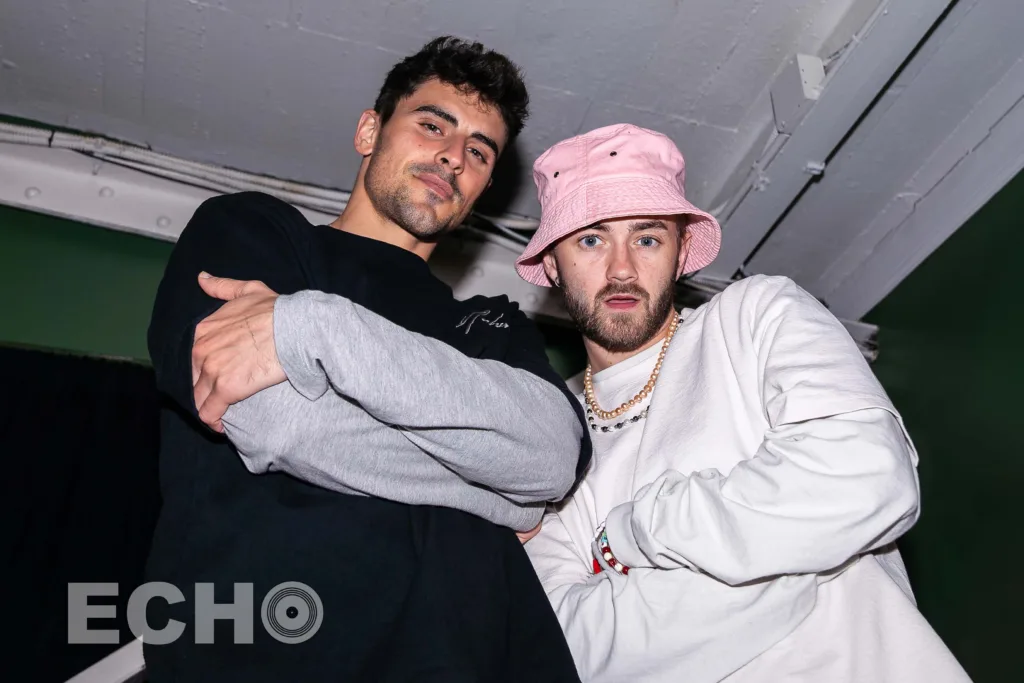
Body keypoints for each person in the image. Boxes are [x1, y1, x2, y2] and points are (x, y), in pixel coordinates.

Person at [143, 37, 590, 683]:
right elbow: (278, 422)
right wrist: (500, 499)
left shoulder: (490, 324)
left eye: (478, 150)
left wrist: (312, 325)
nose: (451, 155)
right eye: (433, 124)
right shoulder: (257, 234)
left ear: (485, 186)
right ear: (369, 130)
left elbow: (548, 458)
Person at [514, 123, 972, 682]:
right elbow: (569, 648)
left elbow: (870, 478)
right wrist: (795, 559)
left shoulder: (755, 315)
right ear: (553, 264)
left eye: (648, 237)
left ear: (681, 251)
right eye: (591, 239)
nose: (622, 269)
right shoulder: (545, 430)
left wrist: (638, 531)